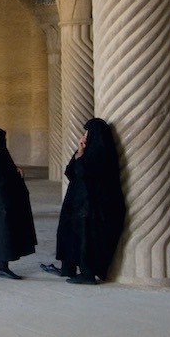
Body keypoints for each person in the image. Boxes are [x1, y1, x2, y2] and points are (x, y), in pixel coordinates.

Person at [42, 118, 126, 285]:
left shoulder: (102, 153)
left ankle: (87, 274)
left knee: (86, 239)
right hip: (77, 203)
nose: (84, 136)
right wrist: (79, 152)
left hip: (92, 206)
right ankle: (67, 267)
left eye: (87, 132)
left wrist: (81, 156)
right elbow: (70, 172)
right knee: (69, 234)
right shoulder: (87, 151)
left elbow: (85, 172)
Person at [0, 127, 37, 279]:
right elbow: (4, 177)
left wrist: (13, 170)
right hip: (5, 197)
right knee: (5, 230)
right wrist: (16, 176)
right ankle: (3, 267)